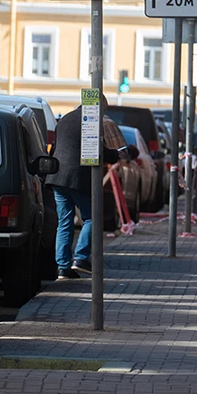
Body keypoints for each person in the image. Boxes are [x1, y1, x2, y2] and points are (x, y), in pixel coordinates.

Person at [46, 95, 121, 279]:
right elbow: (97, 151)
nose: (103, 115)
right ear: (100, 107)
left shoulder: (65, 119)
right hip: (77, 178)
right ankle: (80, 258)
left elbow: (56, 148)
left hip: (57, 177)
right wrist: (115, 154)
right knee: (93, 218)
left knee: (64, 222)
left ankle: (62, 266)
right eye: (103, 111)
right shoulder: (90, 121)